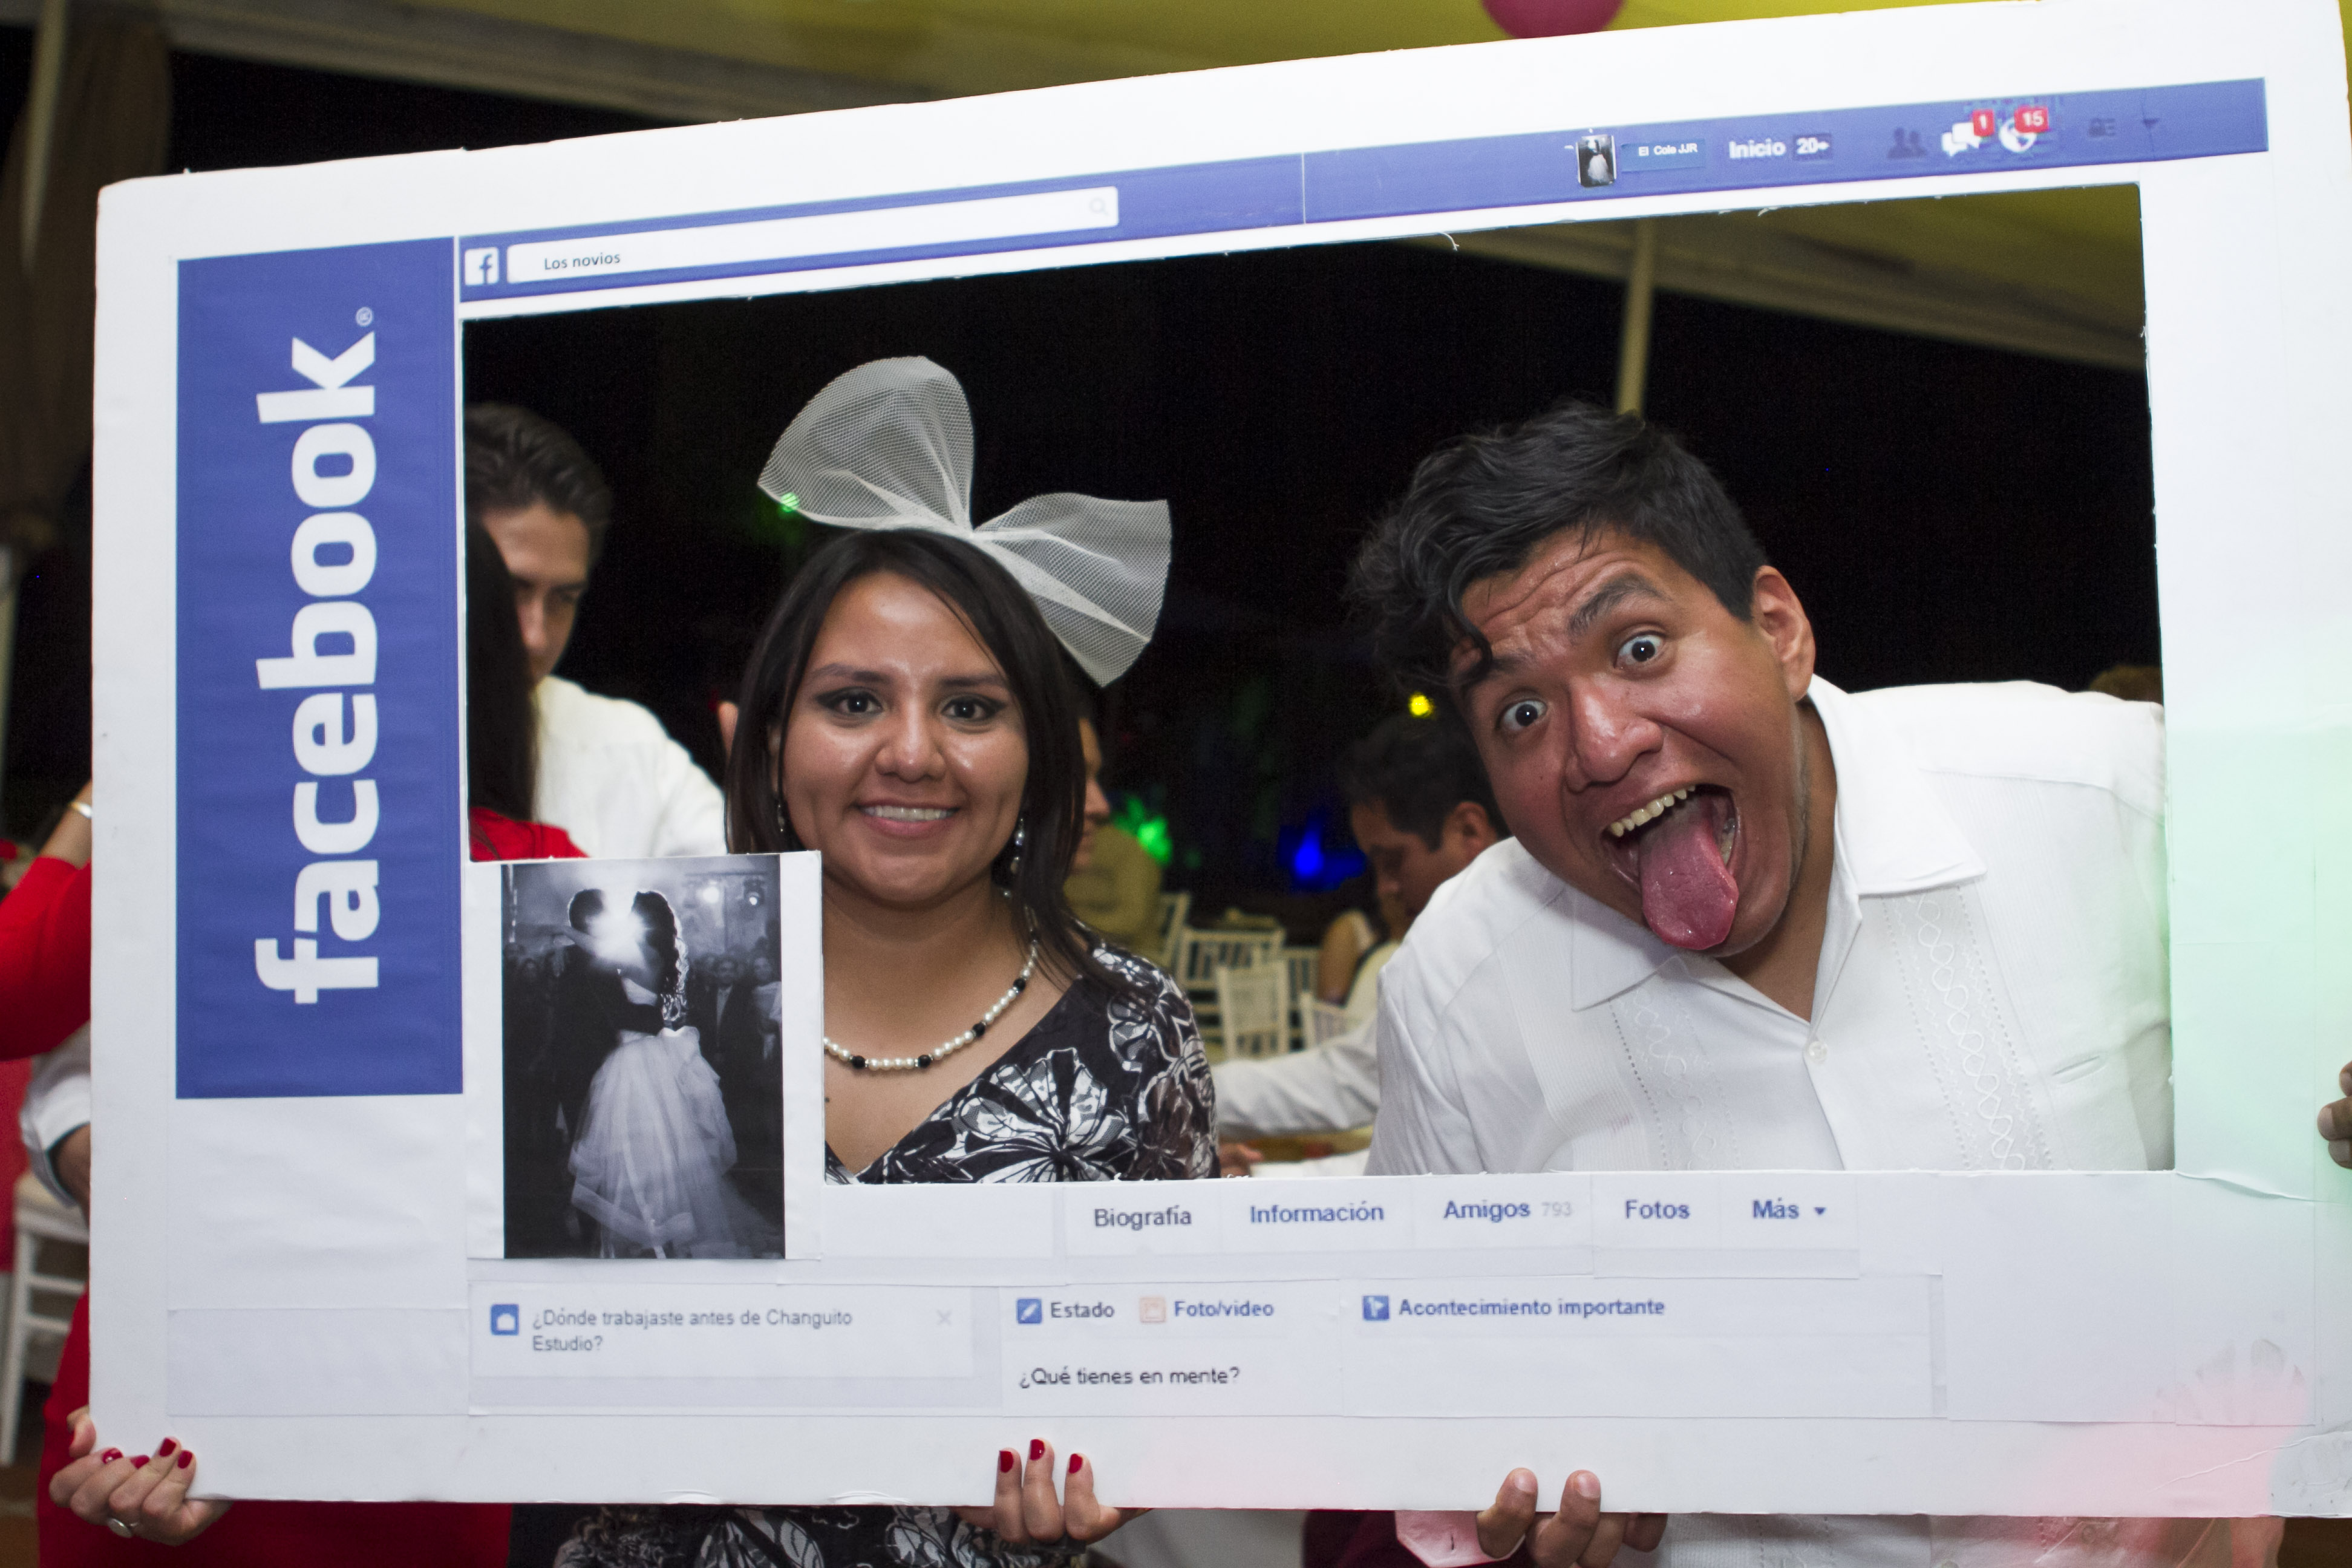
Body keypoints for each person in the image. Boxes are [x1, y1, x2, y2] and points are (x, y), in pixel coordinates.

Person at [1345, 398, 2270, 1568]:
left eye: (1637, 648)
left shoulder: (2111, 796)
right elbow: (1421, 1388)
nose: (1600, 745)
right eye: (1519, 711)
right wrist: (1506, 1494)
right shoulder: (1456, 986)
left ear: (1777, 629)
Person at [549, 355, 1205, 1566]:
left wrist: (1121, 1457)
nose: (911, 752)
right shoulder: (657, 982)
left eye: (971, 707)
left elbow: (1170, 1362)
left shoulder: (1136, 1031)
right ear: (769, 735)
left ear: (1038, 752)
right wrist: (246, 1429)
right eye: (854, 702)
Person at [36, 523, 575, 1561]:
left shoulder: (533, 875)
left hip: (408, 1458)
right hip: (154, 1442)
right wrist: (124, 773)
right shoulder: (190, 846)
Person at [1215, 710, 1501, 1150]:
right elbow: (1354, 1076)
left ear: (1469, 831)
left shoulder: (1541, 939)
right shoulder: (1452, 951)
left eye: (1393, 861)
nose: (1385, 888)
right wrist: (1174, 1091)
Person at [466, 402, 727, 858]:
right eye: (508, 591)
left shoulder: (628, 748)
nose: (535, 636)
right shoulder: (354, 748)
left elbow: (746, 882)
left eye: (563, 599)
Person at [564, 888, 770, 1257]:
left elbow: (600, 956)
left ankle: (652, 1229)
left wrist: (565, 932)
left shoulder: (637, 955)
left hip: (634, 1057)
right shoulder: (662, 956)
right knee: (661, 1147)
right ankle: (660, 1231)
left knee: (640, 1150)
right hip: (652, 1052)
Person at [1063, 713, 1163, 953]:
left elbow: (1132, 919)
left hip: (1124, 958)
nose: (1101, 806)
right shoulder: (1074, 848)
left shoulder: (1128, 850)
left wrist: (1065, 925)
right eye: (1075, 778)